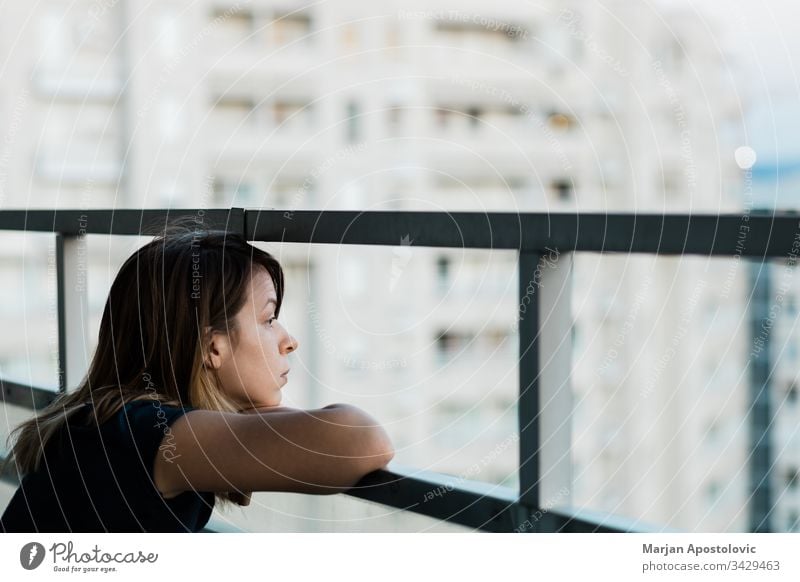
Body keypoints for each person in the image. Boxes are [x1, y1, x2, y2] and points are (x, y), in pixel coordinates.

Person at [0, 218, 394, 532]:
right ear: (212, 348)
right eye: (269, 318)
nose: (289, 341)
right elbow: (361, 441)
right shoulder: (151, 434)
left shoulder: (117, 419)